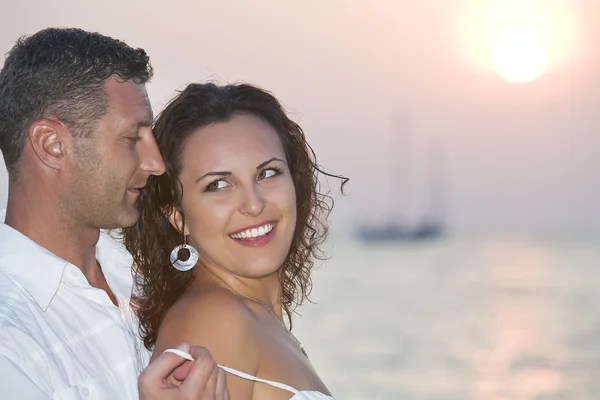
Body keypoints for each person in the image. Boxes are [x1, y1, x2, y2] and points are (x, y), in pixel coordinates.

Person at [0, 27, 228, 399]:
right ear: (51, 145)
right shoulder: (9, 342)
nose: (156, 164)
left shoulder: (138, 278)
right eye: (131, 138)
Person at [123, 82, 347, 399]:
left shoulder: (253, 319)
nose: (254, 204)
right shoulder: (214, 319)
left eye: (267, 174)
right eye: (218, 185)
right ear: (176, 215)